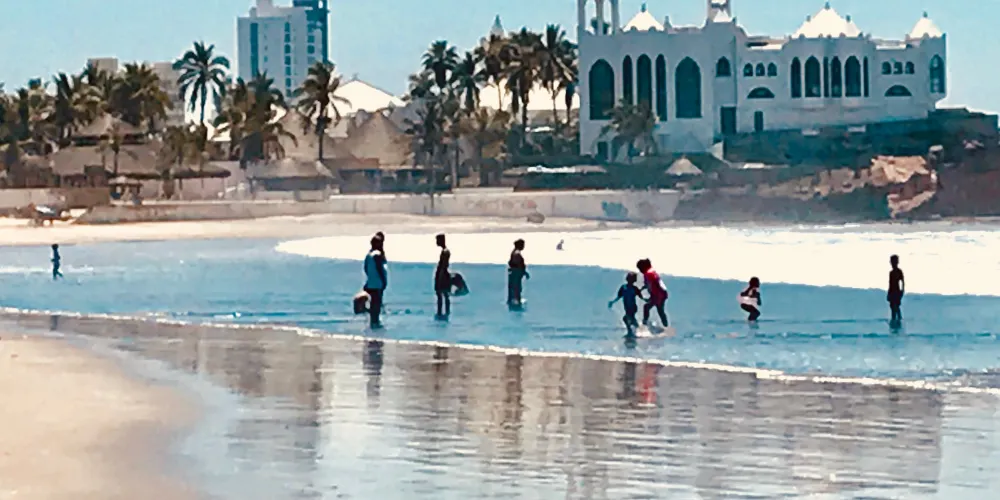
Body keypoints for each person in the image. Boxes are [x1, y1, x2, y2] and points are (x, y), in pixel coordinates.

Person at [363, 236, 388, 328]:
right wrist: (384, 281)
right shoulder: (377, 254)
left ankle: (373, 323)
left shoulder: (368, 255)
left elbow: (365, 268)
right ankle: (375, 324)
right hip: (377, 284)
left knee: (373, 304)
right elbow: (380, 269)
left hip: (370, 283)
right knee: (376, 305)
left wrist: (369, 278)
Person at [637, 259, 669, 328]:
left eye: (640, 269)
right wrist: (642, 288)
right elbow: (650, 284)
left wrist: (654, 296)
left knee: (647, 307)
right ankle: (665, 325)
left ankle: (645, 323)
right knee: (660, 310)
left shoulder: (648, 274)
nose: (640, 271)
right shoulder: (652, 272)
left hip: (658, 295)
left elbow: (654, 284)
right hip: (661, 294)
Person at [507, 239, 530, 306]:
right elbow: (518, 264)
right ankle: (516, 301)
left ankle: (512, 300)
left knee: (513, 287)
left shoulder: (514, 252)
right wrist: (523, 271)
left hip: (515, 272)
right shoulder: (516, 253)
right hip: (516, 273)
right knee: (516, 287)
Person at [434, 234, 452, 318]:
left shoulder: (445, 252)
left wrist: (440, 277)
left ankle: (441, 312)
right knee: (444, 294)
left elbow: (443, 265)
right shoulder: (445, 251)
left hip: (442, 275)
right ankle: (444, 312)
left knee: (442, 294)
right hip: (443, 274)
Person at [888, 254, 905, 325]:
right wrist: (889, 293)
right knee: (893, 307)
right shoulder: (891, 273)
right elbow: (890, 284)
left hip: (897, 292)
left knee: (896, 307)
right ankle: (894, 321)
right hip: (892, 292)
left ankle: (899, 321)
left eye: (893, 262)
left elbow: (902, 282)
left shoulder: (899, 271)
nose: (892, 264)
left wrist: (902, 291)